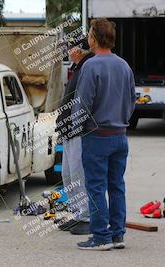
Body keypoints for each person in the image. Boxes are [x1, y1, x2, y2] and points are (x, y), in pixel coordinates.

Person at [72, 18, 136, 251]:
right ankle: (117, 235)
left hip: (96, 135)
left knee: (96, 186)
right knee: (116, 185)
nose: (87, 37)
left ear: (94, 38)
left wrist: (76, 128)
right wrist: (121, 120)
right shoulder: (124, 65)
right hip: (120, 135)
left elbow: (83, 104)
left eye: (89, 33)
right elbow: (131, 101)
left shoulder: (91, 66)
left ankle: (100, 237)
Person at [56, 38, 94, 235]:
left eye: (71, 47)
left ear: (81, 50)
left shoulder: (87, 67)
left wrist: (76, 125)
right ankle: (77, 213)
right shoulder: (77, 68)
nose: (68, 50)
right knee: (68, 175)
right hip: (69, 130)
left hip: (79, 131)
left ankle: (87, 217)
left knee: (79, 175)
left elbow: (84, 101)